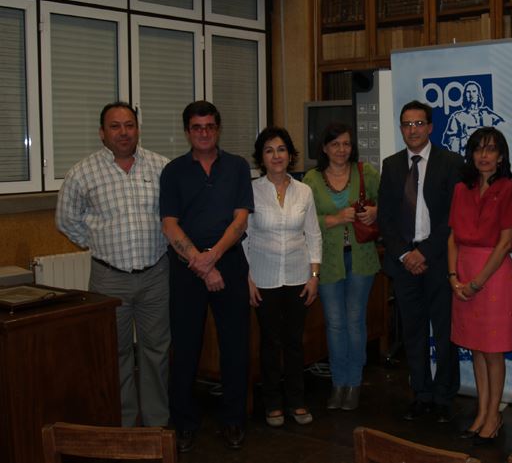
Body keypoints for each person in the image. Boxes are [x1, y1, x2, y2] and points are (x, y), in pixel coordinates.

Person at [56, 101, 170, 428]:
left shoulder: (161, 167)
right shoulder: (83, 173)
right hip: (109, 280)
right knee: (114, 353)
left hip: (155, 275)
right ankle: (123, 426)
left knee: (156, 351)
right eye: (115, 126)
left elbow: (173, 215)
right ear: (102, 133)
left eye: (129, 125)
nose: (124, 132)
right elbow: (66, 220)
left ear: (138, 129)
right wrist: (98, 242)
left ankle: (157, 425)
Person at [160, 101, 252, 452]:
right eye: (197, 127)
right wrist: (199, 262)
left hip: (228, 263)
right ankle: (183, 423)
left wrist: (213, 257)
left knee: (235, 346)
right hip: (187, 269)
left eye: (210, 126)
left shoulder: (237, 166)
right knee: (185, 347)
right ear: (187, 132)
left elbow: (240, 220)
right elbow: (169, 224)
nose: (204, 133)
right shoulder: (173, 172)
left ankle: (233, 420)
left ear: (218, 129)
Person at [377, 100, 463, 423]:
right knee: (412, 333)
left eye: (418, 124)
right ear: (401, 129)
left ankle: (443, 397)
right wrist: (404, 254)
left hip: (438, 260)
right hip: (404, 263)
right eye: (406, 124)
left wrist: (424, 252)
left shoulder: (450, 162)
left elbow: (453, 217)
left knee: (444, 333)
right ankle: (421, 394)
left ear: (430, 127)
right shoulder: (392, 165)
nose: (412, 130)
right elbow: (385, 218)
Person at [448, 127, 512, 445]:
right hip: (463, 270)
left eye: (491, 149)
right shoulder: (461, 189)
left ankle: (493, 416)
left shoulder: (509, 189)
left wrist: (477, 282)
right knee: (476, 348)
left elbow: (506, 243)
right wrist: (453, 277)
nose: (484, 155)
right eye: (478, 149)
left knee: (492, 351)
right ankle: (482, 412)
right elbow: (452, 237)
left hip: (492, 275)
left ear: (501, 155)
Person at [243, 127, 322, 427]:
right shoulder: (251, 190)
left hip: (298, 277)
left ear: (290, 155)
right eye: (269, 150)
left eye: (281, 149)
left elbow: (313, 235)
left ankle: (297, 401)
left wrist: (314, 276)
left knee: (294, 342)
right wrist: (247, 278)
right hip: (262, 278)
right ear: (261, 157)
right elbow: (243, 237)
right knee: (269, 342)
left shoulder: (304, 191)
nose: (276, 156)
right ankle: (273, 403)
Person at [302, 123, 380, 411]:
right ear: (324, 148)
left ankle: (354, 383)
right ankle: (338, 383)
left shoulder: (365, 172)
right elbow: (303, 220)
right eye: (335, 144)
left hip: (361, 258)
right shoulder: (311, 179)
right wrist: (335, 219)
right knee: (335, 323)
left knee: (355, 320)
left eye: (346, 144)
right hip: (327, 260)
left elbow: (389, 204)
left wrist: (375, 211)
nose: (341, 149)